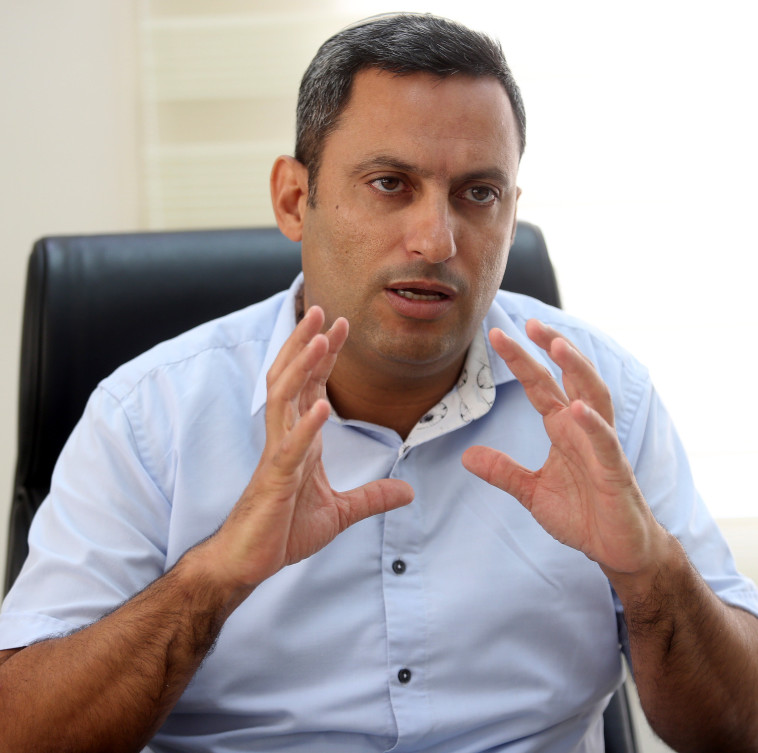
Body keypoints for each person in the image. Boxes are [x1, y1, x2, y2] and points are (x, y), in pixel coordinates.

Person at [1, 12, 757, 753]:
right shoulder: (149, 415)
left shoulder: (600, 399)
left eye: (479, 193)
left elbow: (739, 727)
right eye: (390, 183)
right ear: (294, 200)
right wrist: (216, 574)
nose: (437, 240)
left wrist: (650, 574)